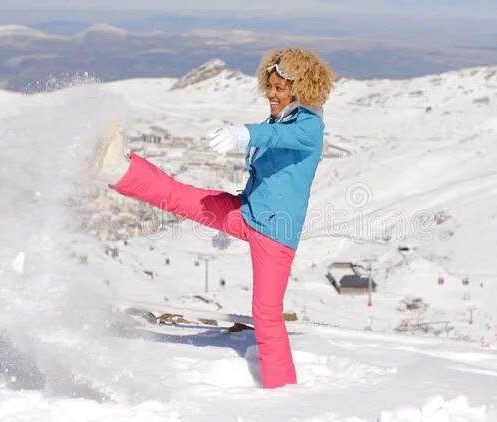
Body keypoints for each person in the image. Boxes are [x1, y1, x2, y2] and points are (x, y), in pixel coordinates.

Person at [90, 47, 333, 388]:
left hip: (275, 236)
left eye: (280, 88)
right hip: (248, 214)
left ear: (301, 87)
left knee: (266, 316)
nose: (271, 94)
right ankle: (118, 168)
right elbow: (265, 174)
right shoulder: (279, 118)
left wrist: (244, 134)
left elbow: (277, 138)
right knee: (182, 197)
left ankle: (282, 389)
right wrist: (230, 223)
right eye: (270, 86)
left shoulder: (309, 126)